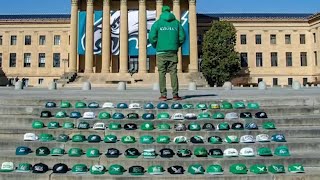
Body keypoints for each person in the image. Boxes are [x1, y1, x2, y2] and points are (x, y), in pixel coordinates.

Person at [149, 5, 185, 101]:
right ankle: (175, 95)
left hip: (161, 52)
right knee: (173, 72)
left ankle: (163, 95)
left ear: (162, 12)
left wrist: (156, 45)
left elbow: (152, 37)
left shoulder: (157, 23)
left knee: (162, 73)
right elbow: (182, 36)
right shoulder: (177, 23)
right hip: (173, 51)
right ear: (170, 12)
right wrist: (176, 45)